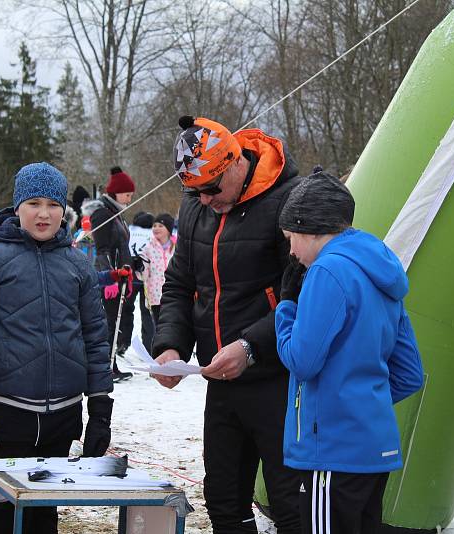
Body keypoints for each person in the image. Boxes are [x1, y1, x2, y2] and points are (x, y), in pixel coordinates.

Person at [0, 162, 113, 534]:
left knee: (44, 511)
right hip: (7, 412)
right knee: (7, 512)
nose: (43, 213)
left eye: (53, 204)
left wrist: (100, 409)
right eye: (33, 203)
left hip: (63, 415)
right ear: (17, 208)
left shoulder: (77, 265)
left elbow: (95, 339)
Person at [152, 115, 302, 533]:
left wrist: (251, 347)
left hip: (278, 378)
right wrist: (172, 345)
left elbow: (302, 297)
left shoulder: (286, 200)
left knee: (290, 502)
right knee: (222, 498)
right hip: (220, 377)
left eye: (212, 189)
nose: (204, 201)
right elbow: (181, 282)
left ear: (236, 163)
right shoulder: (198, 204)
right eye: (192, 192)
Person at [274, 172, 424, 534]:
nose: (291, 252)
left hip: (333, 451)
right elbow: (410, 372)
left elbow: (302, 361)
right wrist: (362, 404)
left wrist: (286, 308)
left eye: (290, 238)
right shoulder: (380, 270)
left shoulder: (328, 270)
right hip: (373, 449)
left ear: (309, 228)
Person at [87, 166, 141, 382]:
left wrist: (133, 263)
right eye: (127, 194)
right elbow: (102, 248)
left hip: (122, 273)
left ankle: (112, 363)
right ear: (116, 193)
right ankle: (106, 366)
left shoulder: (117, 214)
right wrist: (108, 276)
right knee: (108, 323)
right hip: (109, 277)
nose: (129, 198)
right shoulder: (103, 214)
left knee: (114, 323)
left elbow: (121, 246)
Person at [126, 211, 155, 352]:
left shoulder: (130, 231)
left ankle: (122, 341)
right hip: (147, 277)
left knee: (127, 309)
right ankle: (149, 346)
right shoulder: (152, 234)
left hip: (130, 275)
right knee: (147, 313)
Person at [144, 213, 175, 330]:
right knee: (160, 328)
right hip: (156, 297)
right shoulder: (148, 248)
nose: (156, 228)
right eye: (154, 225)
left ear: (168, 229)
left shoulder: (177, 247)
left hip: (174, 295)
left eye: (160, 226)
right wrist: (139, 266)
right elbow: (142, 275)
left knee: (174, 327)